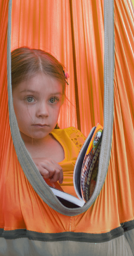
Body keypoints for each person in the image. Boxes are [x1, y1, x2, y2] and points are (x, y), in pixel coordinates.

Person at [10, 47, 88, 195]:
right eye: (30, 99)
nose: (43, 113)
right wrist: (24, 168)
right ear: (7, 98)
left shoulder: (75, 140)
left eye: (53, 100)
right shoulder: (2, 153)